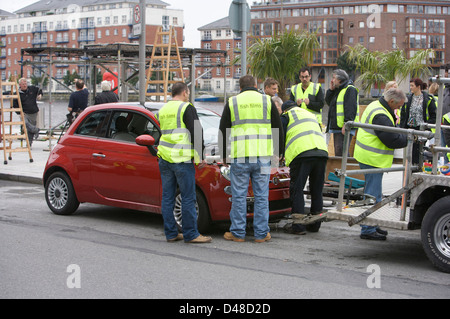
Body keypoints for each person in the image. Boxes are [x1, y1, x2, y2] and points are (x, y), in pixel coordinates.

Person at [219, 75, 284, 243]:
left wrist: (224, 154)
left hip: (240, 156)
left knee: (239, 195)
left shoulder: (233, 102)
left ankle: (238, 233)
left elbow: (224, 129)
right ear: (256, 85)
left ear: (240, 88)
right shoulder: (267, 101)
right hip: (262, 156)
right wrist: (279, 151)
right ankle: (262, 234)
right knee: (262, 195)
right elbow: (277, 126)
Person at [156, 82, 211, 244]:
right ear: (185, 92)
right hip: (182, 158)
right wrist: (200, 156)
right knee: (188, 197)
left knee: (167, 197)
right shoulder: (186, 107)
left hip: (165, 158)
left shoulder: (163, 110)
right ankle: (191, 234)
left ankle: (171, 233)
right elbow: (197, 131)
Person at [354, 88, 408, 240]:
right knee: (373, 194)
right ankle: (367, 229)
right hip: (372, 158)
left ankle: (372, 224)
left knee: (374, 193)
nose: (399, 109)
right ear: (391, 102)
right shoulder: (380, 114)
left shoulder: (377, 106)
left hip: (370, 157)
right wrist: (409, 138)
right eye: (398, 106)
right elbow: (392, 139)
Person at [280, 100, 328, 235]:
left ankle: (298, 226)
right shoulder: (309, 114)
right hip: (321, 153)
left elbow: (280, 137)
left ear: (285, 110)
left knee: (297, 189)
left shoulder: (287, 116)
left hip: (302, 154)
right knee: (316, 190)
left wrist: (280, 154)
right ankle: (315, 224)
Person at [399, 78, 436, 165]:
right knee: (409, 152)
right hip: (409, 128)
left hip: (421, 130)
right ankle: (410, 171)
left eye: (412, 86)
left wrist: (426, 127)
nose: (410, 88)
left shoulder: (428, 99)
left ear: (418, 87)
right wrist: (402, 127)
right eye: (410, 85)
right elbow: (403, 114)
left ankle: (416, 169)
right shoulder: (408, 99)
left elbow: (433, 115)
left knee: (418, 152)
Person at [325, 69, 360, 156]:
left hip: (344, 127)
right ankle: (340, 169)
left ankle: (344, 169)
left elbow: (350, 108)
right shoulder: (338, 90)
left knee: (342, 152)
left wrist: (346, 123)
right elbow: (329, 103)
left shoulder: (349, 89)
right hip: (338, 127)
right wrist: (331, 90)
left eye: (334, 78)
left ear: (340, 79)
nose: (332, 80)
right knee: (339, 152)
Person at [12, 78, 43, 147]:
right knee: (25, 124)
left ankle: (29, 144)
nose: (25, 85)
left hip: (33, 111)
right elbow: (14, 105)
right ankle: (36, 130)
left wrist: (40, 95)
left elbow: (39, 90)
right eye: (23, 84)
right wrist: (19, 112)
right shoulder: (17, 93)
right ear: (20, 85)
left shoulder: (32, 89)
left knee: (30, 131)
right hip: (24, 112)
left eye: (25, 84)